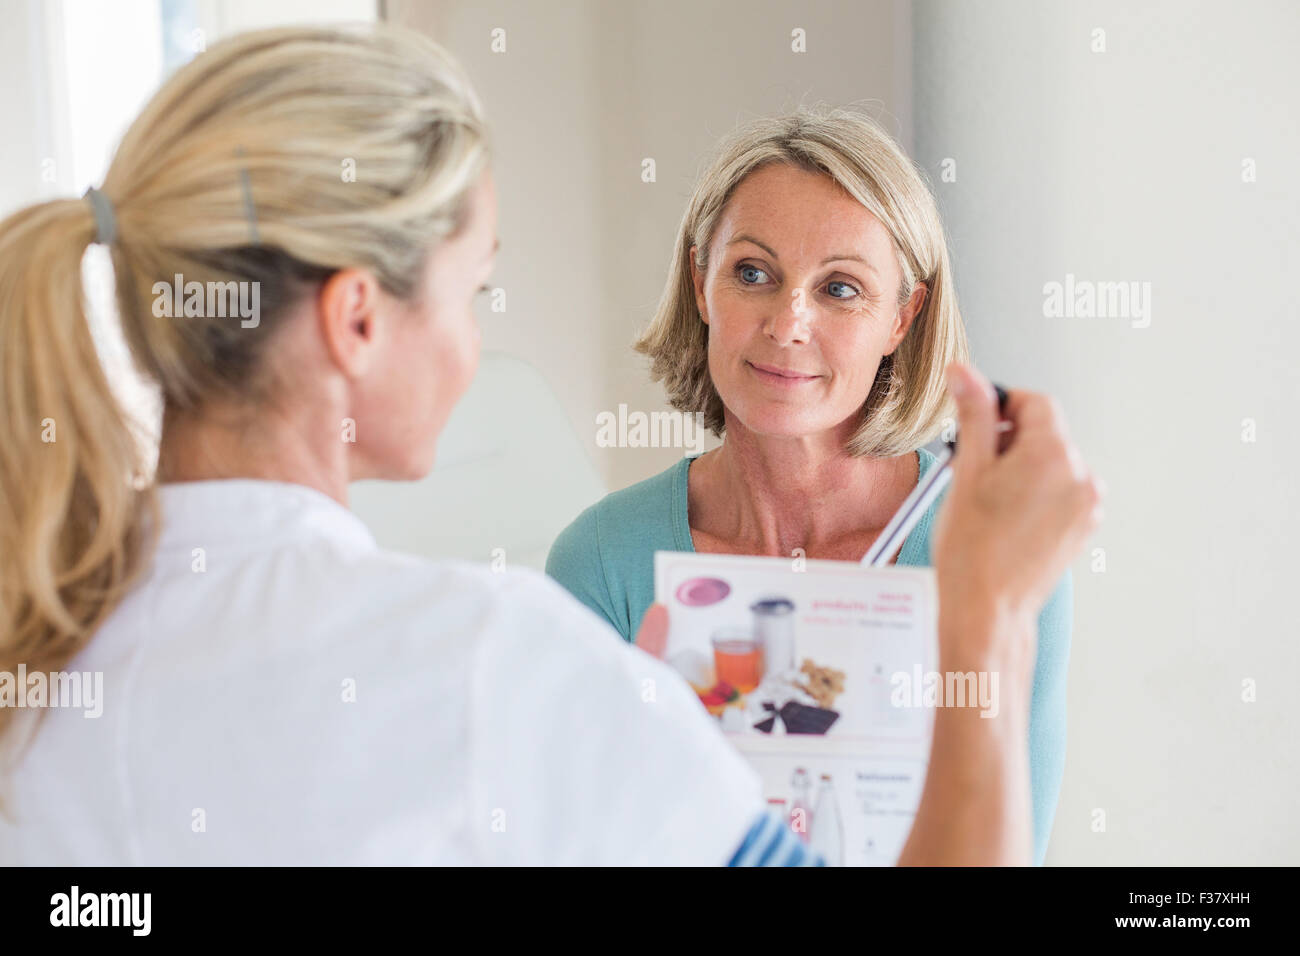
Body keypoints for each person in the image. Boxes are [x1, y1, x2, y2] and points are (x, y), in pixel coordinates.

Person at [0, 24, 1101, 866]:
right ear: (358, 320)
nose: (477, 344)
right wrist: (988, 619)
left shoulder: (35, 637)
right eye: (469, 291)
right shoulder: (496, 658)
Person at [546, 108, 1072, 864]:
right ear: (702, 284)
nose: (789, 324)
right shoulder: (602, 563)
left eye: (841, 289)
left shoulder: (995, 550)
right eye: (752, 274)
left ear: (903, 316)